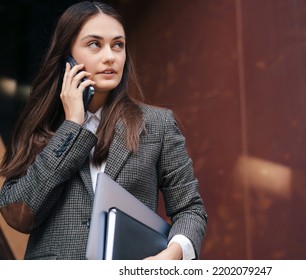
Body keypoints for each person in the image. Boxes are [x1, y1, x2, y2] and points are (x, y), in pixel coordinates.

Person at [0, 1, 207, 260]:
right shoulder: (40, 126)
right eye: (94, 44)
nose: (110, 56)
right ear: (67, 56)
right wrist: (72, 126)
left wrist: (171, 254)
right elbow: (19, 213)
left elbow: (191, 209)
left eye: (117, 45)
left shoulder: (157, 125)